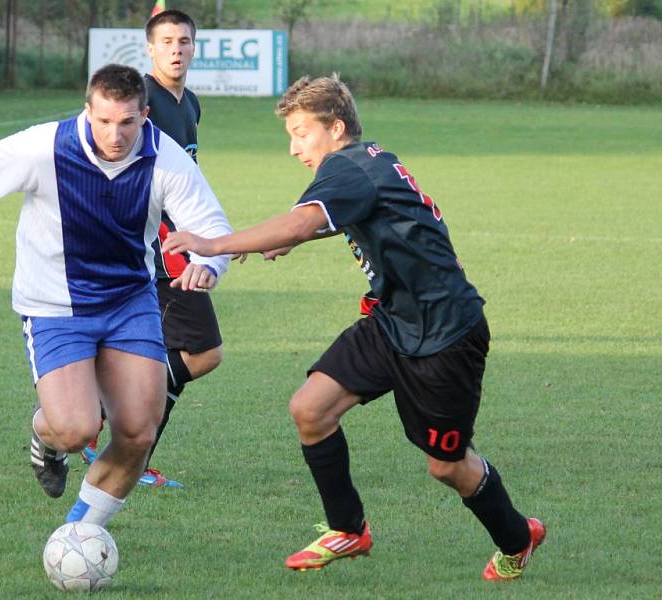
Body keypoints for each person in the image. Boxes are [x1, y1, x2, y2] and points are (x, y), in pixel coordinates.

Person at [162, 75, 545, 580]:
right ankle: (348, 529)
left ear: (335, 127)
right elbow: (341, 217)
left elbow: (303, 219)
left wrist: (215, 244)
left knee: (447, 466)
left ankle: (519, 537)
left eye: (301, 133)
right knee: (310, 409)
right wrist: (297, 240)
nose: (294, 148)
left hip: (446, 336)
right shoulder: (365, 161)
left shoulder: (346, 168)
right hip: (391, 321)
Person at [0, 64, 232, 528]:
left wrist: (207, 264)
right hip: (55, 307)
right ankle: (44, 432)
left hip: (130, 301)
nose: (116, 134)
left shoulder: (164, 157)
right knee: (75, 429)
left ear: (144, 115)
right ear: (87, 110)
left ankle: (80, 533)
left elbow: (210, 225)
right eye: (104, 121)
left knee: (137, 431)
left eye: (128, 122)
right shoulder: (46, 147)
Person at [82, 9, 227, 490]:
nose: (176, 49)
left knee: (178, 354)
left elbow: (187, 181)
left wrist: (217, 237)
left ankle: (131, 456)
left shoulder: (190, 104)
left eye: (184, 41)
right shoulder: (143, 101)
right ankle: (105, 413)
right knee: (203, 352)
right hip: (154, 249)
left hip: (182, 243)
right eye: (166, 41)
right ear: (149, 48)